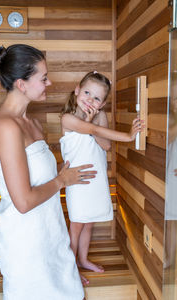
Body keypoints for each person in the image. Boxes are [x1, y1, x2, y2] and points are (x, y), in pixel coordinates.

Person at [0, 44, 97, 300]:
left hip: (52, 237)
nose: (50, 82)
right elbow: (23, 202)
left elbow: (40, 178)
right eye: (43, 78)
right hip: (26, 247)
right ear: (21, 84)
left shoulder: (32, 123)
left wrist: (67, 269)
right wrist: (62, 180)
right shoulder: (6, 127)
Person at [60, 71, 142, 285]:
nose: (90, 99)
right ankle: (70, 269)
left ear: (103, 102)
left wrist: (92, 120)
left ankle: (83, 259)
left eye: (96, 97)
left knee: (89, 223)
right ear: (77, 91)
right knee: (76, 225)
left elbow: (105, 145)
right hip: (77, 181)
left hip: (95, 181)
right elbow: (90, 129)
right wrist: (128, 136)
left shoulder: (101, 116)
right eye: (86, 92)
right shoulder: (67, 118)